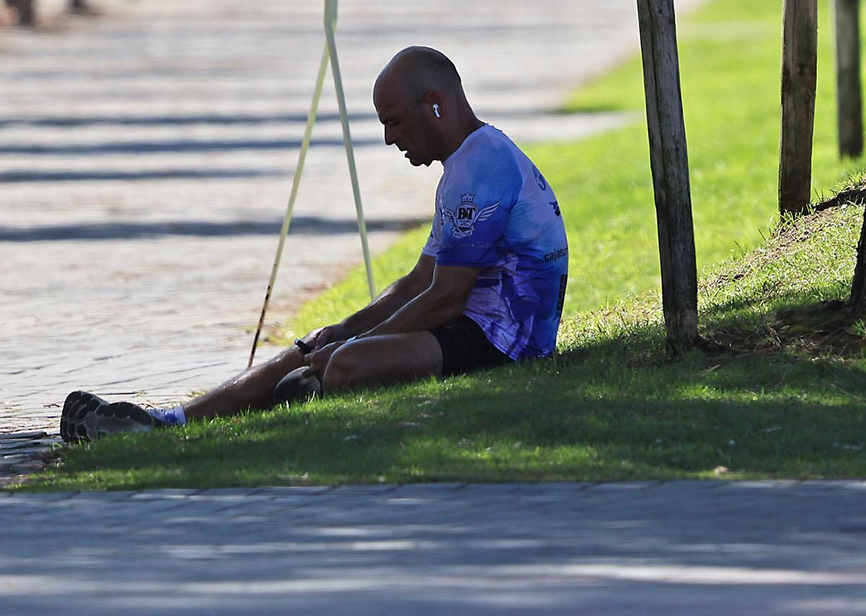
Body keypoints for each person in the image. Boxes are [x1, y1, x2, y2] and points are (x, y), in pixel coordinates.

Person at [60, 46, 570, 443]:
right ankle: (168, 423)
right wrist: (345, 329)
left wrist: (357, 346)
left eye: (393, 122)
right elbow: (419, 281)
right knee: (320, 343)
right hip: (469, 327)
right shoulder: (467, 163)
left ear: (434, 105)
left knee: (345, 364)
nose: (391, 140)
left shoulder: (482, 168)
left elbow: (445, 298)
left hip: (503, 345)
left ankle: (290, 404)